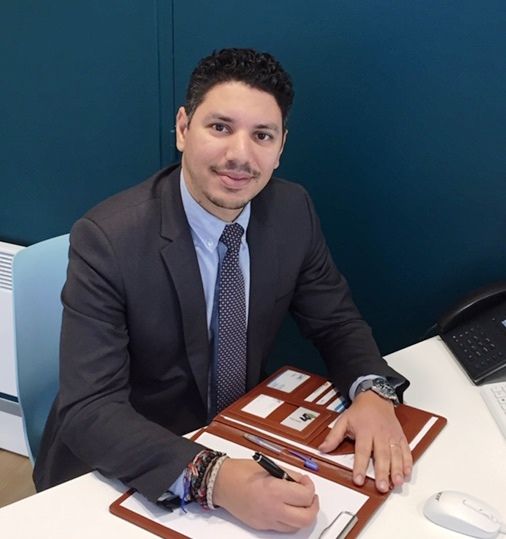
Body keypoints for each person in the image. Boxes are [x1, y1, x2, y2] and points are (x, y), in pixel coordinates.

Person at [34, 48, 412, 532]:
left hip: (239, 433)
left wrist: (373, 392)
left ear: (281, 147)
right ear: (182, 128)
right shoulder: (107, 239)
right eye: (219, 127)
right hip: (128, 463)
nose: (240, 155)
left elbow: (335, 320)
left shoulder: (292, 210)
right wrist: (212, 478)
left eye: (262, 135)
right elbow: (89, 410)